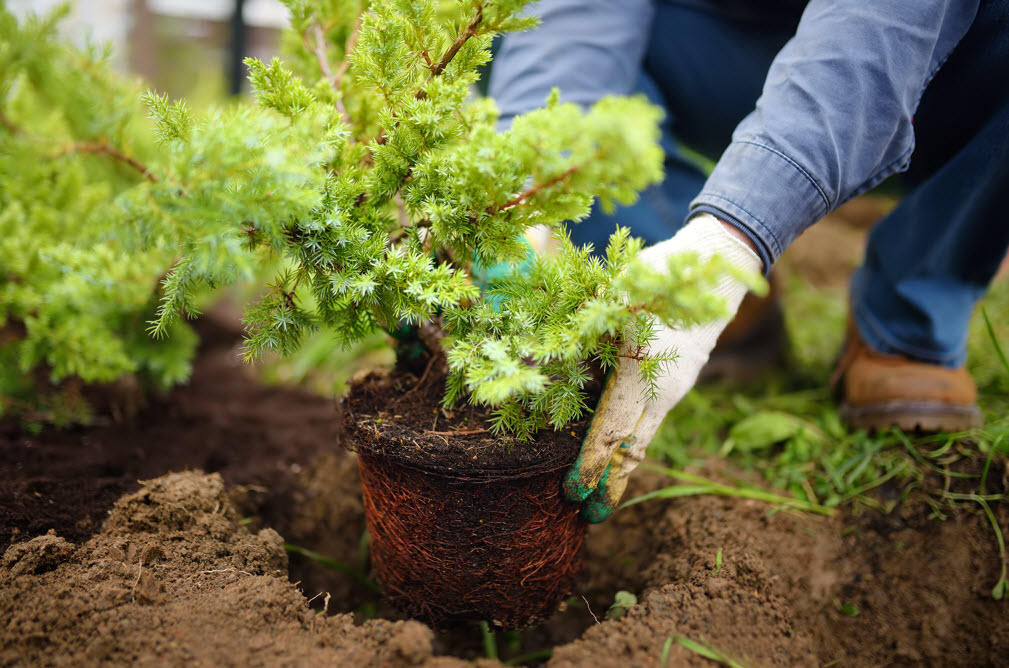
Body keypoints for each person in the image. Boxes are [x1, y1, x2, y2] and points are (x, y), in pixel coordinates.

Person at [487, 0, 1009, 522]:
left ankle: (910, 313)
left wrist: (733, 239)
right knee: (511, 32)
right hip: (727, 41)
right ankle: (678, 275)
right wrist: (526, 184)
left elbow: (880, 25)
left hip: (934, 64)